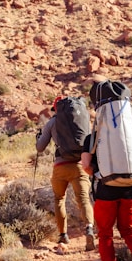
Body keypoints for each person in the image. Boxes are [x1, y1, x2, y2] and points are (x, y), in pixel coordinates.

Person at [81, 94, 132, 261]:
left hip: (106, 190)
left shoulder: (92, 137)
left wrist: (99, 172)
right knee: (129, 229)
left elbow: (86, 166)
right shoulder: (131, 136)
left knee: (105, 233)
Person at [36, 96, 96, 250]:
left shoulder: (52, 122)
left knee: (58, 199)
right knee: (83, 199)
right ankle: (89, 228)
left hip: (60, 166)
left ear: (57, 109)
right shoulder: (83, 119)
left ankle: (63, 235)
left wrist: (39, 137)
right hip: (79, 165)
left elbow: (40, 147)